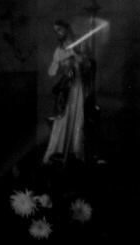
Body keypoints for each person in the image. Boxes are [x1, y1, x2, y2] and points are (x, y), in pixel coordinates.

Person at [43, 18, 95, 164]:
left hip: (78, 88)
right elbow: (51, 71)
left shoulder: (79, 46)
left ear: (67, 29)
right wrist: (61, 65)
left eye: (60, 30)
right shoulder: (59, 51)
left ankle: (76, 153)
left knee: (78, 118)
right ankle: (58, 153)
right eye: (56, 31)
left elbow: (88, 65)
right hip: (66, 90)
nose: (58, 33)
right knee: (63, 119)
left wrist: (79, 59)